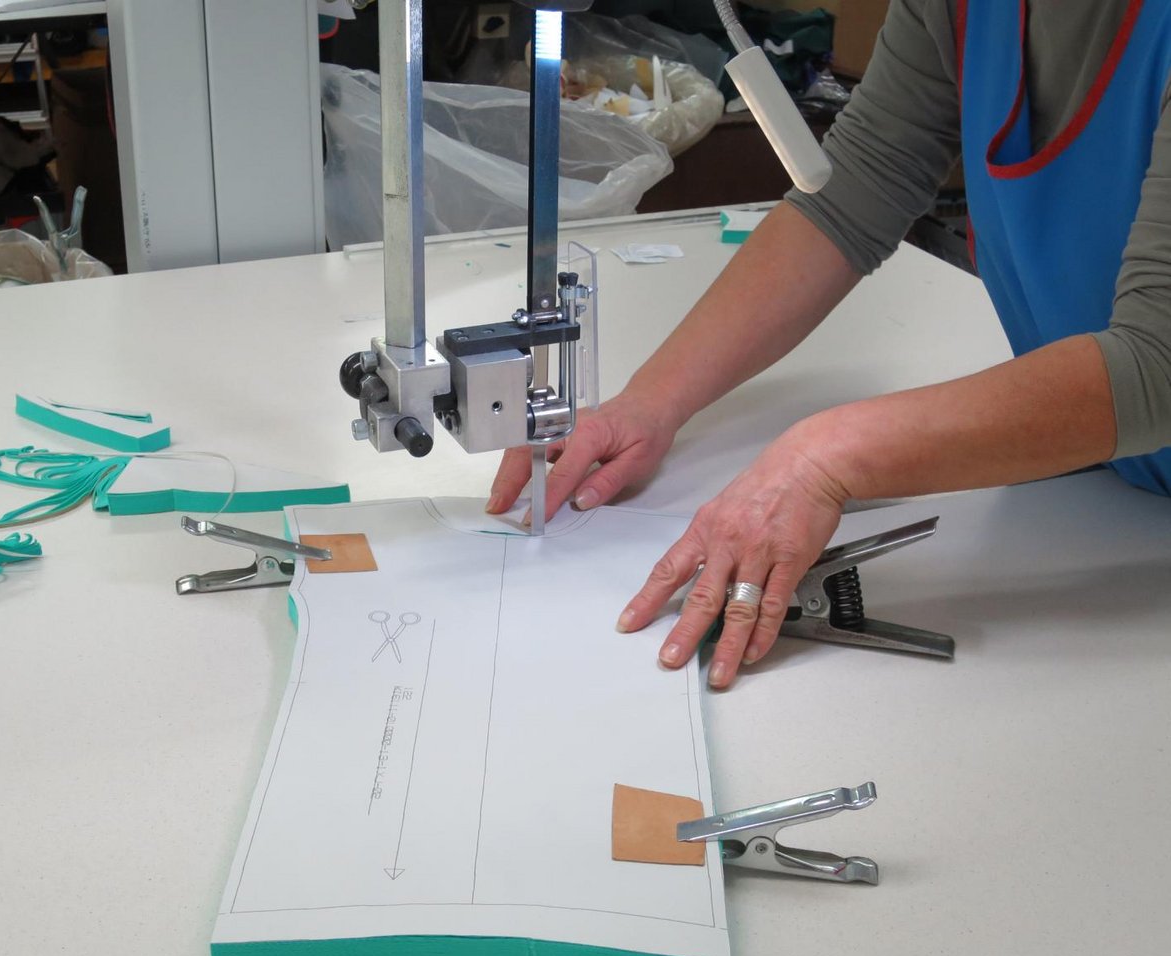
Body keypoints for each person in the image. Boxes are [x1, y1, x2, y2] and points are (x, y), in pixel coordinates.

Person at [486, 0, 1171, 689]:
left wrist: (823, 458)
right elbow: (847, 198)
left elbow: (1159, 364)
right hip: (1111, 497)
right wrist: (650, 402)